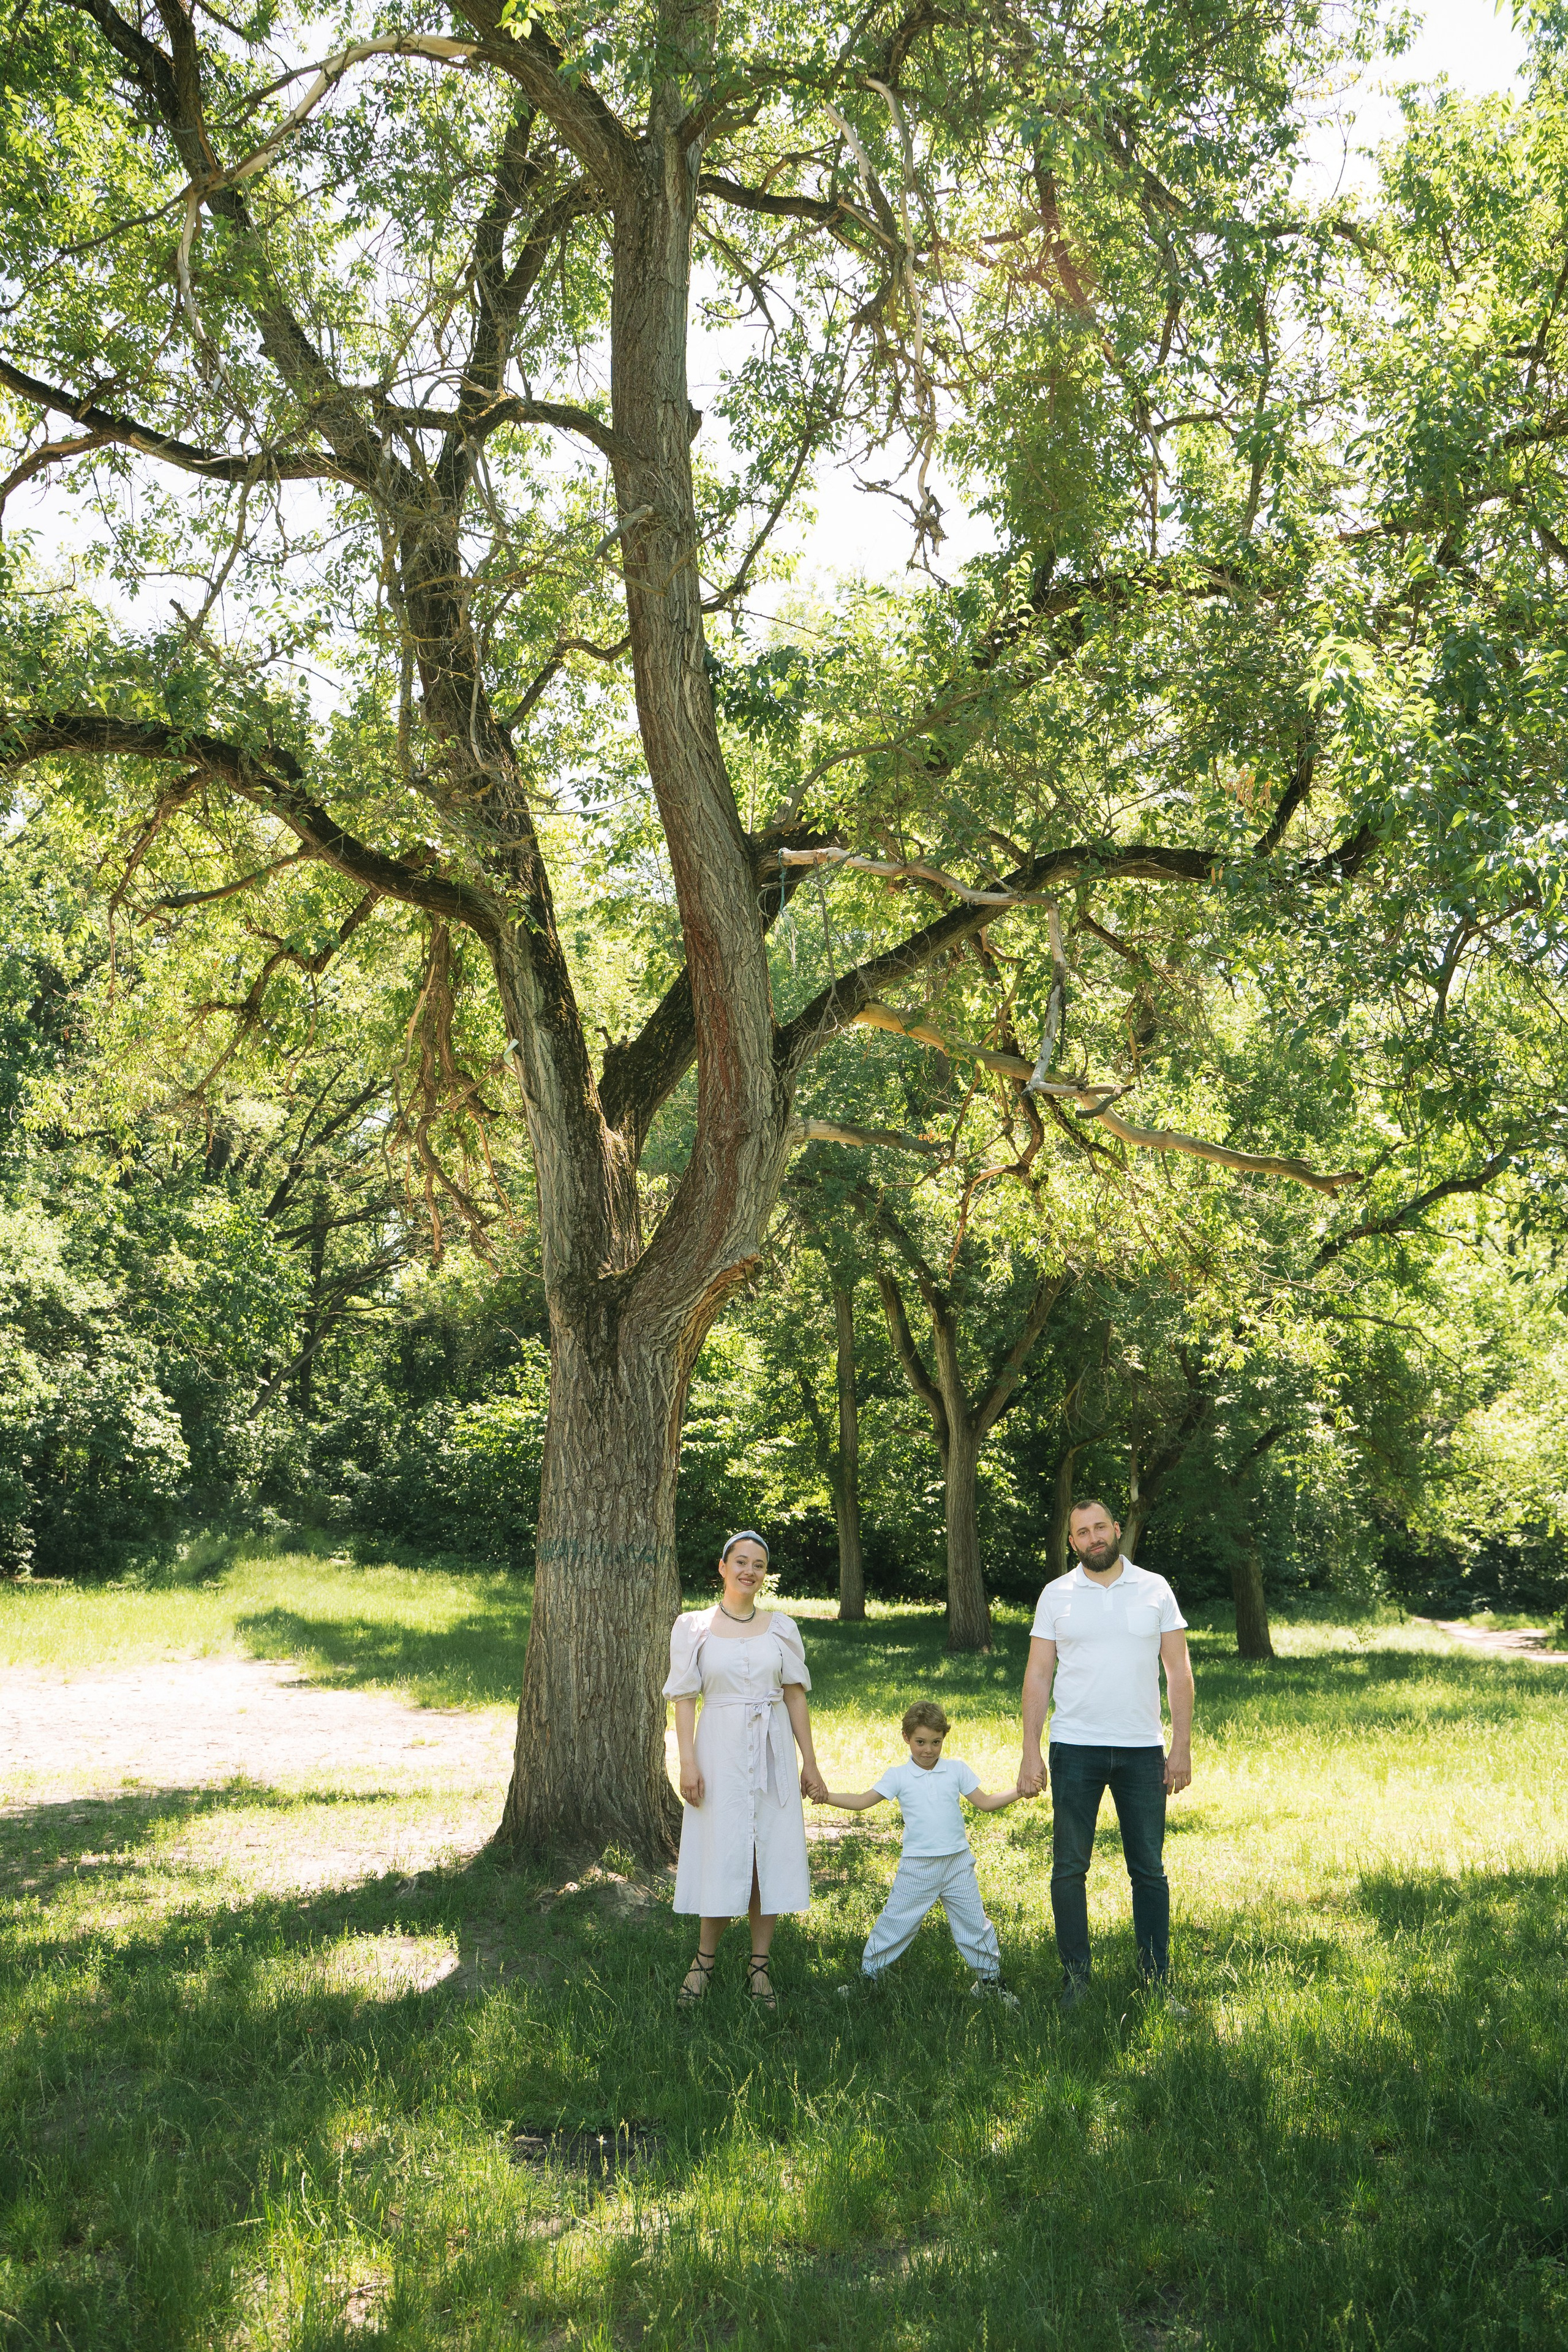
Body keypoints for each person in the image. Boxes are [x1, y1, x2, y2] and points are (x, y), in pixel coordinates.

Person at [1018, 1498, 1196, 2011]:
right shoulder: (1056, 1595)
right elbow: (1038, 1674)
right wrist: (1031, 1752)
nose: (1094, 1538)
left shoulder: (1155, 1588)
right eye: (1082, 1532)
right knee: (1069, 1869)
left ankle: (1156, 1984)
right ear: (1071, 1542)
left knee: (1150, 1871)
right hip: (1075, 1748)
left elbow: (1178, 1671)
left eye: (1101, 1527)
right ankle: (1076, 1980)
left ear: (1117, 1530)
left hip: (1142, 1751)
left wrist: (1180, 1748)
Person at [664, 1530, 827, 2010]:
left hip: (772, 1749)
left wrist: (809, 1762)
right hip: (719, 1751)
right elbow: (684, 1698)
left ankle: (759, 1966)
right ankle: (703, 1962)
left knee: (767, 1857)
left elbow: (795, 1695)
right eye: (740, 1561)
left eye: (758, 1564)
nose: (748, 1571)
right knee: (722, 1852)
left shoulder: (781, 1628)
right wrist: (688, 1762)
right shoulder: (693, 1626)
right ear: (722, 1567)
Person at [818, 1699, 1022, 2006]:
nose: (928, 1750)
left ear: (944, 1739)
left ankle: (990, 1980)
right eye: (920, 1742)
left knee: (974, 1923)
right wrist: (825, 1796)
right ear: (907, 1738)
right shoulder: (898, 1776)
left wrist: (1021, 1791)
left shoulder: (956, 1770)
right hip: (917, 1867)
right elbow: (862, 1801)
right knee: (896, 1921)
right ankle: (868, 1977)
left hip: (957, 1863)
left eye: (936, 1742)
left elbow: (986, 1802)